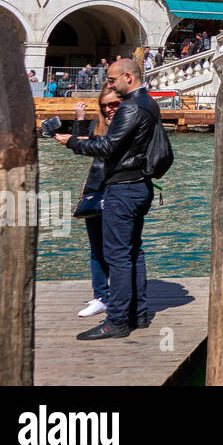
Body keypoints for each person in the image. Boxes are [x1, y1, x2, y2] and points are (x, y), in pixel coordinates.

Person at [54, 59, 159, 339]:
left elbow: (108, 147)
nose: (109, 84)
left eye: (112, 80)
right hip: (140, 186)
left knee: (118, 256)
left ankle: (117, 321)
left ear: (128, 77)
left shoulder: (131, 107)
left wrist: (72, 141)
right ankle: (139, 314)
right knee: (133, 251)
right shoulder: (149, 103)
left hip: (123, 189)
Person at [71, 86, 123, 317]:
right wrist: (80, 121)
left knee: (118, 249)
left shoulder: (129, 124)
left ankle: (120, 296)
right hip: (95, 188)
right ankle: (101, 296)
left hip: (119, 190)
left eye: (113, 104)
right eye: (104, 106)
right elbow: (81, 146)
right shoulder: (98, 125)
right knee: (96, 248)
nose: (108, 109)